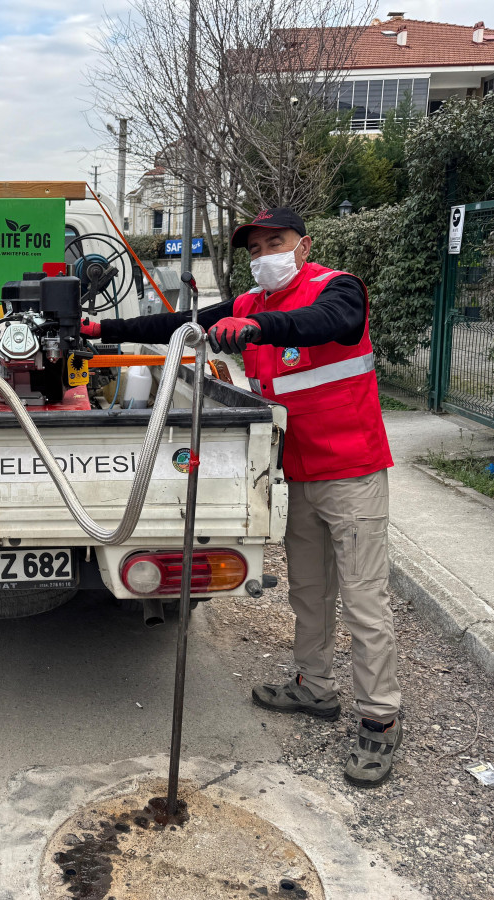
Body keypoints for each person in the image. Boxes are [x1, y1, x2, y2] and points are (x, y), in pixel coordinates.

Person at [84, 208, 399, 787]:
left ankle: (379, 720)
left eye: (274, 243)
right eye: (254, 249)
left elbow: (328, 324)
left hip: (351, 472)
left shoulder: (336, 289)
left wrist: (258, 332)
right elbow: (178, 325)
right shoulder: (248, 304)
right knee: (308, 589)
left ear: (303, 246)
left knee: (363, 600)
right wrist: (99, 333)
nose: (263, 256)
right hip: (294, 473)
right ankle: (314, 687)